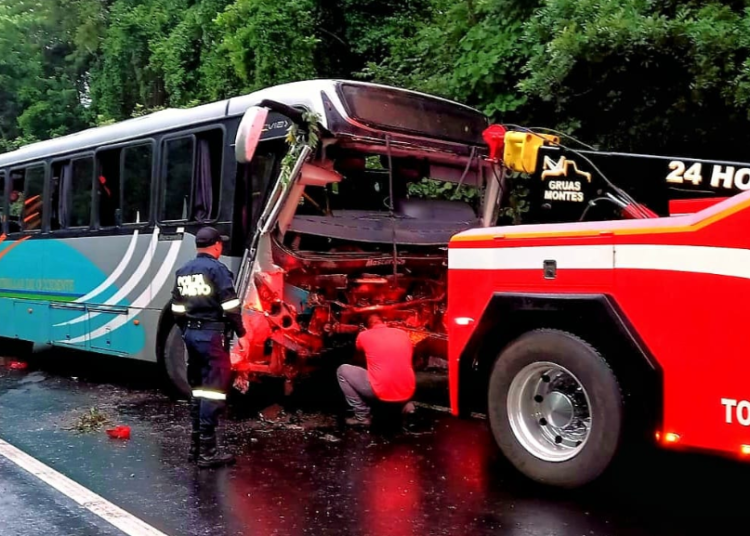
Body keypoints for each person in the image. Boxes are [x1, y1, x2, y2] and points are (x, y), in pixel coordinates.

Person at [170, 226, 246, 468]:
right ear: (216, 246)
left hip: (191, 334)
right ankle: (208, 452)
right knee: (214, 391)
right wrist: (241, 333)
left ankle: (195, 448)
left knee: (199, 389)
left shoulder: (183, 271)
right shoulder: (218, 270)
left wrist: (186, 330)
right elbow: (230, 305)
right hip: (212, 336)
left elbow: (177, 308)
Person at [337, 314, 416, 427]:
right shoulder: (403, 333)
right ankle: (407, 407)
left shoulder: (364, 335)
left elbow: (358, 351)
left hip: (382, 390)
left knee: (342, 371)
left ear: (367, 326)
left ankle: (362, 416)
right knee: (397, 368)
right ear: (384, 322)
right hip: (408, 389)